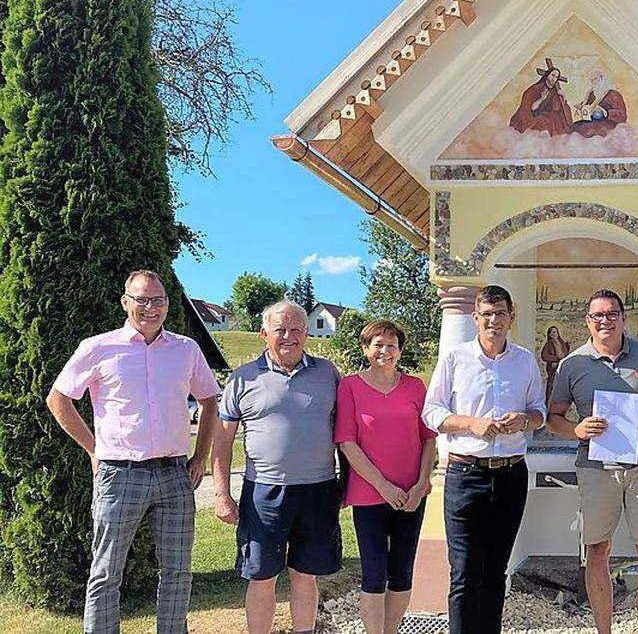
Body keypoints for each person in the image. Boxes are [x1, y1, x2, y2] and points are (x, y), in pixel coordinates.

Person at [46, 269, 221, 634]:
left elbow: (209, 401)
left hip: (174, 474)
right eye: (141, 299)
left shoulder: (186, 349)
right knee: (106, 572)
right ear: (126, 302)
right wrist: (94, 450)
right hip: (119, 474)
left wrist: (201, 455)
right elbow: (58, 398)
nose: (149, 307)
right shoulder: (97, 347)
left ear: (168, 305)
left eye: (157, 300)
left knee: (177, 571)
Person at [212, 301, 343, 634]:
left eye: (296, 329)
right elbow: (222, 442)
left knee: (305, 575)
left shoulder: (328, 374)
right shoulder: (243, 378)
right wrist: (221, 494)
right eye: (280, 330)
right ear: (264, 334)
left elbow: (346, 433)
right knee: (261, 576)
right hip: (263, 493)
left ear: (306, 333)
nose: (289, 336)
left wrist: (349, 483)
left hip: (318, 490)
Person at [423, 285, 547, 634]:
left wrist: (524, 421)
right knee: (464, 573)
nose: (494, 320)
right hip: (465, 474)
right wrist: (471, 424)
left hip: (510, 475)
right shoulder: (455, 358)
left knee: (496, 571)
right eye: (487, 314)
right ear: (476, 318)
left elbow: (538, 411)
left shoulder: (525, 361)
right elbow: (431, 412)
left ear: (512, 317)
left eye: (501, 313)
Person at [547, 289, 638, 634]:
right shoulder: (572, 365)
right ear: (588, 321)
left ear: (623, 317)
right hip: (596, 470)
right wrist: (578, 429)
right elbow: (553, 418)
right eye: (597, 315)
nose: (605, 320)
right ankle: (604, 630)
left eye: (611, 313)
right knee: (598, 550)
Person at [335, 319, 437, 634]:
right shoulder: (350, 386)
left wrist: (421, 485)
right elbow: (347, 443)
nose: (385, 350)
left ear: (400, 350)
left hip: (411, 495)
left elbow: (428, 438)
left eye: (392, 345)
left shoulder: (415, 386)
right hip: (368, 495)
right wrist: (383, 486)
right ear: (366, 349)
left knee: (402, 571)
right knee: (374, 573)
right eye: (378, 344)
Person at [509, 58, 572, 136]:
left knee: (555, 120)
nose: (554, 79)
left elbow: (558, 110)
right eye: (552, 75)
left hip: (544, 117)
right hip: (529, 117)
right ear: (547, 75)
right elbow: (529, 108)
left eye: (556, 77)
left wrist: (563, 98)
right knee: (544, 122)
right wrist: (542, 99)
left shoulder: (554, 93)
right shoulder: (535, 89)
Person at [571, 69, 628, 138]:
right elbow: (587, 106)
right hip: (592, 120)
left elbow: (622, 115)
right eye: (591, 80)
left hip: (608, 123)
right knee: (573, 127)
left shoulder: (613, 94)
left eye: (595, 79)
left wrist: (605, 112)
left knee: (588, 131)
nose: (593, 82)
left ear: (602, 78)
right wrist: (580, 106)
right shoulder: (592, 93)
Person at [541, 325, 571, 401]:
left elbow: (565, 353)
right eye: (553, 332)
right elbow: (544, 356)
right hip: (553, 368)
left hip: (562, 367)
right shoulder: (549, 344)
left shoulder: (561, 342)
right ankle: (549, 405)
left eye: (556, 332)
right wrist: (556, 359)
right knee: (552, 388)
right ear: (550, 334)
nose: (555, 334)